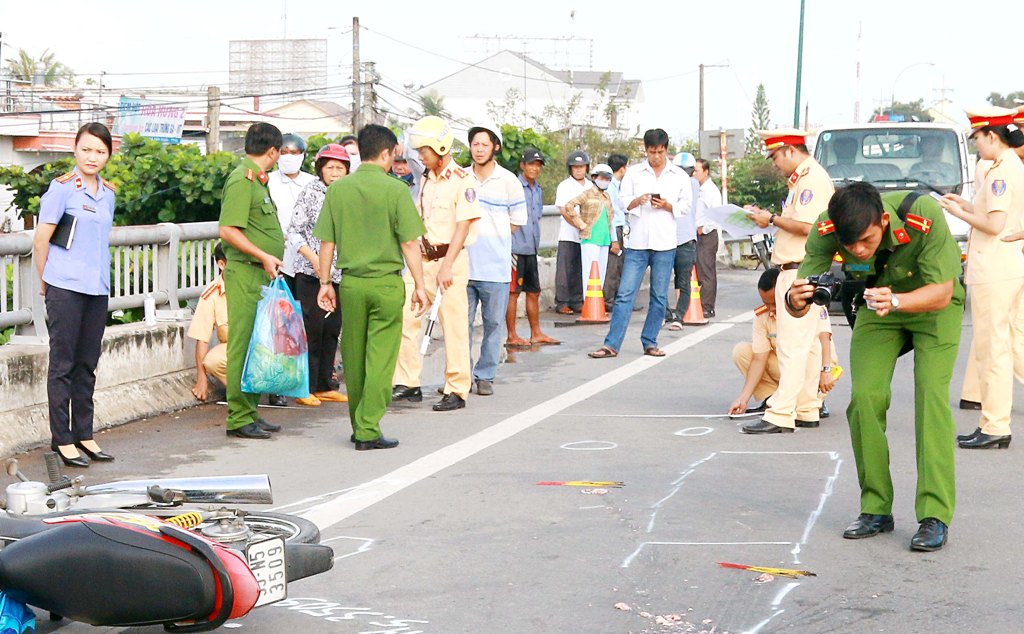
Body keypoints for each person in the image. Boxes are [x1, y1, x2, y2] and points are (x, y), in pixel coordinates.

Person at [790, 181, 964, 552]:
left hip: (931, 306)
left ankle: (934, 515)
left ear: (883, 220)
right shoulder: (828, 227)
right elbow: (801, 296)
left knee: (930, 396)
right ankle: (875, 508)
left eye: (866, 240)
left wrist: (899, 300)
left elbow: (943, 291)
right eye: (848, 243)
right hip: (876, 305)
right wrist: (795, 298)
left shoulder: (922, 214)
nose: (857, 249)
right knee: (865, 398)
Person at [315, 124, 428, 450]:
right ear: (386, 153)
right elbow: (409, 243)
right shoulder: (395, 190)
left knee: (354, 356)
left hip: (350, 284)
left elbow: (326, 243)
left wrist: (325, 283)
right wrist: (420, 285)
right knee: (381, 358)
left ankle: (359, 424)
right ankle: (367, 428)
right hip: (386, 285)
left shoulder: (338, 190)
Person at [936, 106, 1024, 449]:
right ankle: (993, 422)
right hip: (1005, 267)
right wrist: (968, 204)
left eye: (979, 139)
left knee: (993, 350)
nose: (977, 147)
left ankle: (995, 425)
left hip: (995, 270)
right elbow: (992, 214)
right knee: (1001, 346)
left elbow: (995, 225)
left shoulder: (1002, 171)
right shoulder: (1010, 166)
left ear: (992, 136)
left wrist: (960, 213)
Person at [32, 122, 117, 467]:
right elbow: (41, 240)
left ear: (109, 155)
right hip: (64, 286)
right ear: (75, 149)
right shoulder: (62, 189)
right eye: (86, 149)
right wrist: (45, 282)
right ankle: (62, 439)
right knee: (63, 364)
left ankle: (85, 434)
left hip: (96, 288)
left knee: (88, 363)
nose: (92, 157)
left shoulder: (108, 193)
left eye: (100, 151)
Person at [741, 129, 835, 433]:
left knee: (792, 346)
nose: (775, 164)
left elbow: (809, 226)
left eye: (776, 156)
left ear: (791, 151)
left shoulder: (811, 179)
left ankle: (780, 413)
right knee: (805, 347)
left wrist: (770, 219)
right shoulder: (804, 179)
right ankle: (807, 407)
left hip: (799, 269)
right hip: (799, 267)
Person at [391, 115, 481, 412]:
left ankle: (456, 388)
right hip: (422, 262)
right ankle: (408, 382)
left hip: (450, 262)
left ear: (440, 148)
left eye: (424, 151)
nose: (420, 156)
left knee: (453, 327)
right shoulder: (426, 180)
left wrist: (446, 266)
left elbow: (464, 226)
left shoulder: (463, 180)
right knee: (406, 319)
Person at [588, 129, 691, 359]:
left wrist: (666, 205)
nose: (656, 156)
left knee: (659, 295)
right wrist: (638, 201)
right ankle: (611, 344)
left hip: (665, 243)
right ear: (646, 150)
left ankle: (650, 341)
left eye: (660, 152)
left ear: (666, 150)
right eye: (652, 152)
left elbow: (686, 206)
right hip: (638, 242)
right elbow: (622, 202)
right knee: (625, 294)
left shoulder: (678, 175)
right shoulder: (634, 173)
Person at [217, 122, 286, 440]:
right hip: (245, 271)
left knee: (257, 344)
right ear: (272, 151)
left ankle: (250, 410)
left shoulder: (258, 180)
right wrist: (263, 254)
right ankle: (238, 416)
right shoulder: (242, 180)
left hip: (258, 270)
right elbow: (228, 230)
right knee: (242, 344)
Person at [288, 143, 352, 407]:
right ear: (320, 170)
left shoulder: (349, 194)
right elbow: (294, 231)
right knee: (310, 330)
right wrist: (315, 260)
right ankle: (305, 385)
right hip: (310, 273)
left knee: (331, 329)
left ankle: (326, 384)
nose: (335, 173)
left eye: (340, 168)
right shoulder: (310, 193)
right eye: (330, 168)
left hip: (339, 275)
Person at [466, 123, 527, 396]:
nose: (479, 149)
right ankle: (461, 375)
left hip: (496, 268)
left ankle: (485, 374)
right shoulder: (461, 177)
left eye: (484, 144)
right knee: (460, 325)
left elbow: (517, 222)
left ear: (495, 147)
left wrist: (492, 237)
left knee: (493, 324)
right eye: (475, 144)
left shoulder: (509, 181)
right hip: (463, 265)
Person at [728, 267, 838, 416]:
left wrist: (826, 370)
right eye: (766, 303)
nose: (771, 309)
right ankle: (772, 399)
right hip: (788, 365)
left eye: (774, 303)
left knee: (805, 363)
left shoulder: (808, 305)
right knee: (742, 351)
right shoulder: (762, 317)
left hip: (818, 368)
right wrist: (743, 399)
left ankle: (813, 401)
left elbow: (824, 338)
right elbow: (759, 359)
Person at [265, 133, 315, 407]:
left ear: (303, 156)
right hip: (277, 261)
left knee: (306, 323)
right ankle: (278, 384)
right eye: (284, 152)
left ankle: (303, 380)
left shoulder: (313, 184)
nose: (289, 157)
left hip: (307, 264)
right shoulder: (268, 182)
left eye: (295, 152)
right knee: (279, 324)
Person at [507, 148, 560, 348]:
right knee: (513, 292)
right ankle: (512, 335)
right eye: (531, 164)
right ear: (523, 165)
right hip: (515, 247)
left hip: (531, 248)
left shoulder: (537, 189)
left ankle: (535, 333)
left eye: (538, 165)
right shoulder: (513, 187)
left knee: (534, 291)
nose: (535, 168)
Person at [561, 163, 617, 295]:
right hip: (590, 237)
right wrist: (581, 224)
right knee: (589, 273)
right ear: (594, 177)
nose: (604, 181)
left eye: (607, 179)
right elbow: (569, 206)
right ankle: (588, 303)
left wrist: (613, 238)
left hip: (604, 239)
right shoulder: (586, 194)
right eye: (601, 178)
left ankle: (597, 304)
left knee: (601, 274)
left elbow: (611, 218)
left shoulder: (607, 197)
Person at [188, 243, 230, 403]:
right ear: (222, 264)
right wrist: (201, 378)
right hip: (234, 348)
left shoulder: (252, 284)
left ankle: (276, 390)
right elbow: (202, 338)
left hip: (259, 346)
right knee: (212, 361)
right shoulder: (211, 294)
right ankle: (240, 392)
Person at [665, 152, 699, 329]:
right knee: (673, 280)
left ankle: (677, 315)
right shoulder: (688, 182)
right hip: (671, 238)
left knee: (681, 280)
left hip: (683, 238)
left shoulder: (691, 184)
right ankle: (672, 315)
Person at [554, 150, 591, 314]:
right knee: (565, 269)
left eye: (581, 167)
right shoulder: (564, 186)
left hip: (587, 235)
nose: (578, 170)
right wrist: (578, 224)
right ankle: (562, 302)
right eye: (575, 167)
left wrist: (587, 227)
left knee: (580, 268)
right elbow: (564, 210)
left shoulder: (591, 186)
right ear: (570, 169)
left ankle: (577, 301)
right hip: (569, 233)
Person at [694, 158, 722, 317]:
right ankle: (700, 304)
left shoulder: (710, 190)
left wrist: (703, 229)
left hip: (707, 235)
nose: (694, 174)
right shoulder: (699, 190)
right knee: (699, 270)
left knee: (706, 271)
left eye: (697, 171)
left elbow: (716, 214)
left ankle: (708, 306)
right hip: (698, 234)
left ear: (706, 171)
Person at [603, 154, 630, 311]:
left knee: (620, 266)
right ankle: (609, 301)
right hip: (615, 229)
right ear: (622, 168)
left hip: (621, 228)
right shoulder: (611, 187)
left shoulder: (617, 185)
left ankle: (618, 299)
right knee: (613, 267)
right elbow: (611, 214)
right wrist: (614, 238)